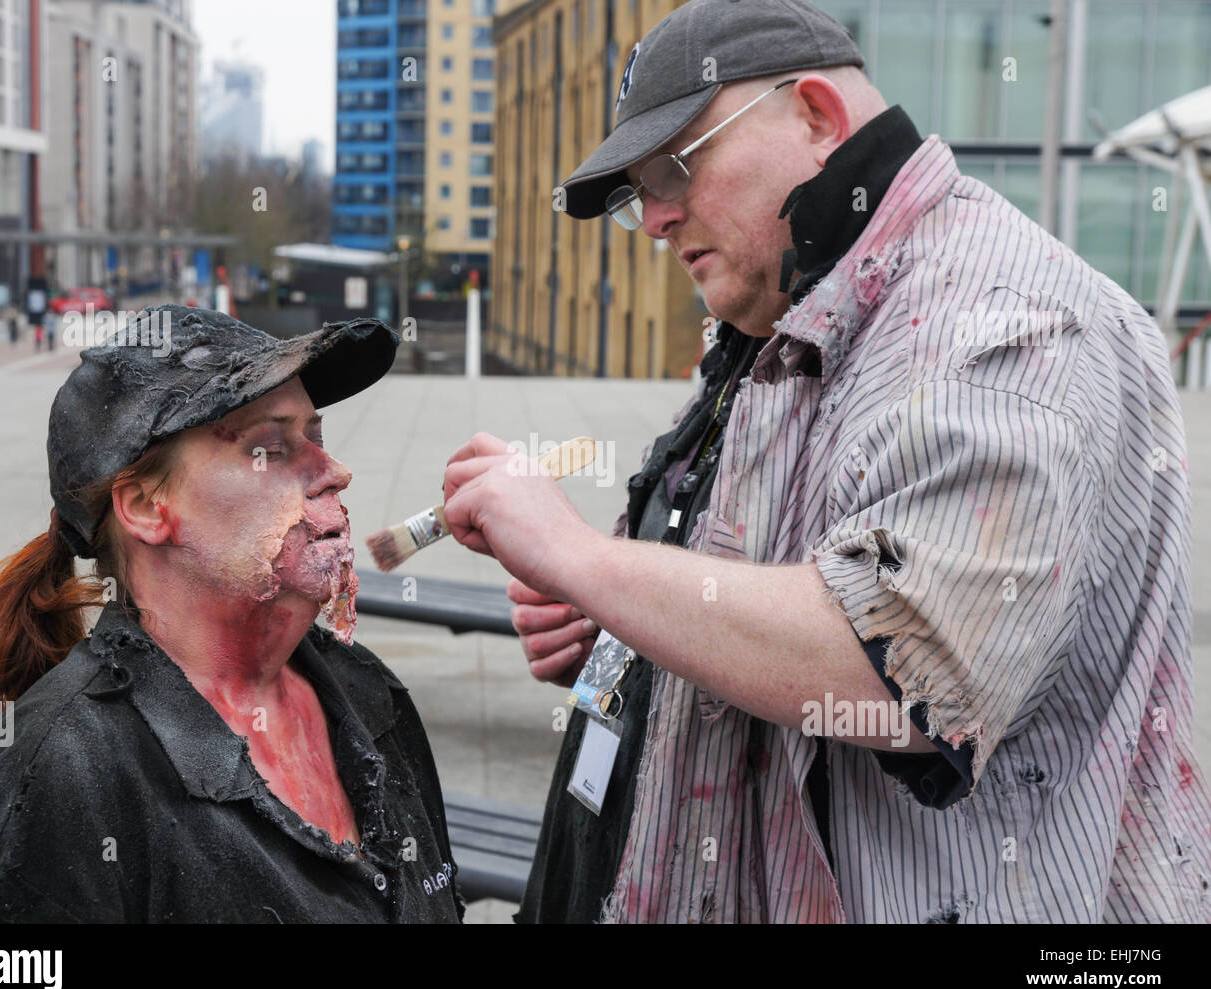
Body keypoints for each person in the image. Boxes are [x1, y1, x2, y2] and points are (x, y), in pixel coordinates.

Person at [439, 0, 1211, 922]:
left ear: (816, 116)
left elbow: (897, 677)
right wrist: (621, 621)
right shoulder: (794, 306)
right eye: (634, 191)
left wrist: (583, 559)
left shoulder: (1010, 326)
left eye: (677, 165)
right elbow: (757, 589)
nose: (653, 216)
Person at [0, 306, 463, 923]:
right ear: (147, 507)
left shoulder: (369, 696)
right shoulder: (67, 781)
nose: (334, 472)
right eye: (271, 447)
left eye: (317, 436)